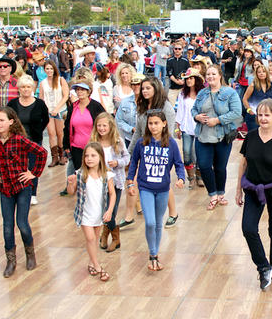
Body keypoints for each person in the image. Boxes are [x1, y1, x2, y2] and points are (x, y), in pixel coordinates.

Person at [0, 107, 47, 278]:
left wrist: (33, 173)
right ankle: (11, 260)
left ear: (11, 122)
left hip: (23, 187)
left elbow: (42, 152)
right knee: (7, 226)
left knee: (22, 223)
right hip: (5, 189)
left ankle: (30, 253)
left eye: (2, 120)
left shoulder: (19, 140)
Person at [235, 99, 272, 290]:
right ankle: (263, 267)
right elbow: (243, 163)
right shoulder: (251, 136)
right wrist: (238, 189)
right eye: (260, 115)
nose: (262, 118)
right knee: (248, 228)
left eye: (267, 115)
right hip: (253, 189)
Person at [126, 110, 185, 271]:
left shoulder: (171, 143)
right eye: (150, 123)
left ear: (164, 124)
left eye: (156, 123)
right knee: (150, 222)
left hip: (163, 189)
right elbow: (134, 163)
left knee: (158, 223)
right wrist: (130, 181)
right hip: (145, 187)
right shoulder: (141, 143)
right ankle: (152, 253)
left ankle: (155, 255)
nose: (153, 126)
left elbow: (179, 163)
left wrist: (181, 178)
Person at [127, 76, 179, 226]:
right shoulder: (143, 107)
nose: (144, 91)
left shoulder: (166, 107)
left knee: (163, 182)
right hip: (144, 149)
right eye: (143, 88)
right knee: (137, 179)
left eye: (148, 88)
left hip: (160, 151)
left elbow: (168, 133)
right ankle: (130, 215)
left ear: (156, 89)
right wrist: (130, 153)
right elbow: (138, 132)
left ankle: (173, 212)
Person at [192, 64, 243, 210]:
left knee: (220, 167)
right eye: (208, 74)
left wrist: (218, 120)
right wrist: (197, 116)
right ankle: (212, 195)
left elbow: (236, 112)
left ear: (220, 75)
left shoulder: (230, 93)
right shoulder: (202, 93)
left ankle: (220, 194)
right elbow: (194, 109)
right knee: (204, 166)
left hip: (222, 136)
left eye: (213, 74)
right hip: (203, 136)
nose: (210, 77)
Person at [67, 142, 116, 282]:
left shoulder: (107, 175)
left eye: (93, 155)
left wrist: (110, 210)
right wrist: (70, 184)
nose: (89, 158)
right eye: (87, 155)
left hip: (98, 214)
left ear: (100, 157)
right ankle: (98, 266)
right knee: (90, 239)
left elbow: (112, 194)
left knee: (94, 240)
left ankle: (91, 262)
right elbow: (71, 192)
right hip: (84, 214)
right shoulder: (81, 174)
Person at [90, 113, 130, 252]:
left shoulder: (117, 141)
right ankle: (105, 235)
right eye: (99, 126)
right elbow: (87, 158)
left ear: (110, 126)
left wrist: (118, 163)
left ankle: (115, 239)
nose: (101, 128)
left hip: (115, 181)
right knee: (102, 212)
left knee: (110, 213)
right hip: (98, 182)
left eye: (104, 125)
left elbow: (126, 157)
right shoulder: (93, 142)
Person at [7, 75, 49, 205]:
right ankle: (18, 191)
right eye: (23, 87)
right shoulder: (13, 104)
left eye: (28, 87)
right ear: (19, 88)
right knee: (17, 167)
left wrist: (38, 130)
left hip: (34, 141)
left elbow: (45, 119)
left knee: (32, 167)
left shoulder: (39, 104)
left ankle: (32, 193)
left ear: (32, 88)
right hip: (17, 141)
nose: (26, 89)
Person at [116, 73, 144, 228]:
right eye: (133, 85)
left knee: (140, 173)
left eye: (138, 84)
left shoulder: (149, 102)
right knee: (131, 173)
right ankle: (134, 208)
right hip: (129, 139)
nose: (136, 87)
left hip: (144, 141)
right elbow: (118, 119)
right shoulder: (125, 102)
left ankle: (137, 206)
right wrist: (130, 129)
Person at [63, 70, 106, 171]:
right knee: (78, 174)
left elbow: (106, 123)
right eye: (77, 89)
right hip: (76, 147)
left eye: (82, 89)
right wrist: (66, 146)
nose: (79, 92)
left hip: (93, 147)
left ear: (88, 91)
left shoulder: (96, 106)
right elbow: (67, 127)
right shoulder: (72, 107)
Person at [175, 68, 204, 190]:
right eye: (187, 79)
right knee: (187, 154)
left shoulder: (203, 93)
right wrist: (178, 127)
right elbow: (180, 110)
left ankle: (199, 176)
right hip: (186, 127)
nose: (188, 81)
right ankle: (190, 178)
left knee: (198, 154)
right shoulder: (182, 94)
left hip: (199, 128)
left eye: (191, 78)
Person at [39, 60, 69, 167]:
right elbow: (41, 97)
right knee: (51, 134)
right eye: (47, 68)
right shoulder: (43, 83)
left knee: (60, 133)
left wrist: (57, 108)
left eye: (51, 68)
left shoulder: (61, 80)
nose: (49, 71)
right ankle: (54, 157)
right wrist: (44, 109)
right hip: (48, 111)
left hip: (60, 110)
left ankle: (62, 155)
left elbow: (66, 95)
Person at [242, 64, 272, 133]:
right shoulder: (253, 85)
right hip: (254, 116)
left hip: (266, 116)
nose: (261, 73)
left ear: (266, 73)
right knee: (254, 138)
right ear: (256, 74)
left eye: (263, 71)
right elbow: (244, 99)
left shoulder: (270, 84)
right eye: (259, 72)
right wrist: (249, 110)